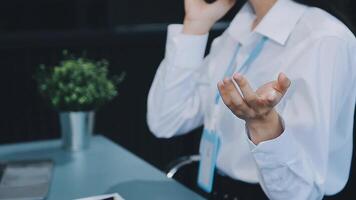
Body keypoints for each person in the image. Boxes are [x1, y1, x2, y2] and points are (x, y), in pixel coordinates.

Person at [147, 0, 356, 199]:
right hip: (213, 187)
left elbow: (300, 194)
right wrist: (195, 27)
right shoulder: (244, 22)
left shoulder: (325, 39)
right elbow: (165, 121)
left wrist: (265, 127)